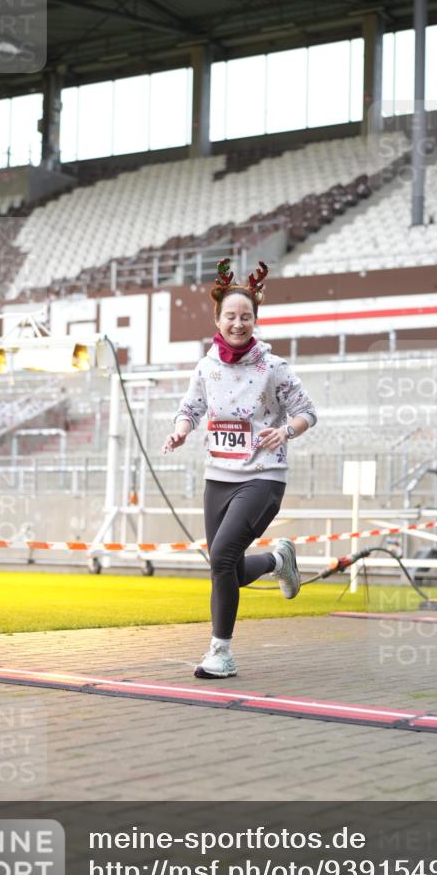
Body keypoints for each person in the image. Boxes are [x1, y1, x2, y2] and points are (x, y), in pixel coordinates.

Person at [162, 257, 317, 678]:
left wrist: (286, 432)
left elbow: (307, 412)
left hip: (264, 475)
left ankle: (221, 653)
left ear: (255, 320)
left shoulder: (274, 367)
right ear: (218, 318)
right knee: (223, 565)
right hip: (219, 477)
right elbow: (190, 407)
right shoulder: (207, 366)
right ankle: (275, 560)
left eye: (245, 317)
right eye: (230, 316)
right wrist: (180, 430)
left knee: (223, 557)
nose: (238, 323)